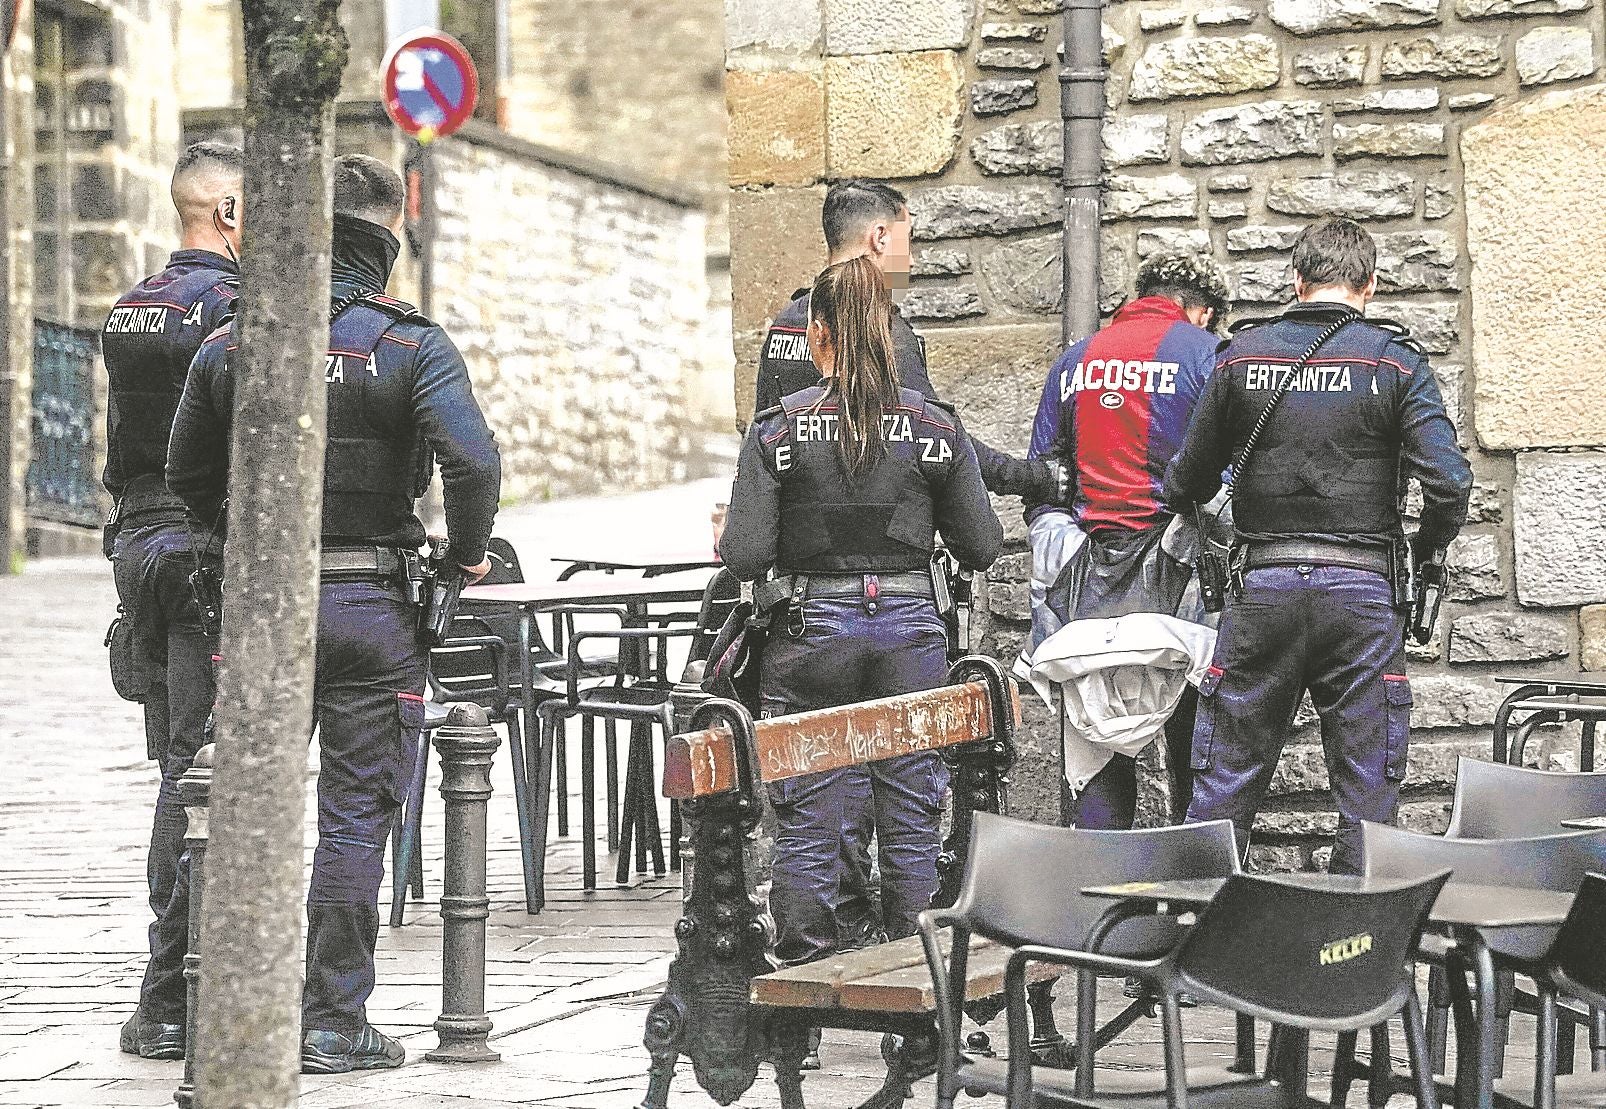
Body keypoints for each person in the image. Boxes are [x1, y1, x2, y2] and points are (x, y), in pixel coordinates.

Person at [167, 153, 501, 1072]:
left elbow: (186, 471)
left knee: (241, 805)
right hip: (371, 604)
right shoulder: (409, 344)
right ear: (388, 237)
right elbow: (473, 461)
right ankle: (331, 1017)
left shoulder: (237, 338)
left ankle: (227, 1001)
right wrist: (466, 554)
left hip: (265, 607)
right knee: (357, 812)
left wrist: (239, 537)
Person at [1163, 218, 1472, 875]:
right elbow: (1449, 482)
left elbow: (1185, 481)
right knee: (1367, 790)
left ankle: (1196, 927)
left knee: (1224, 781)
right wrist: (1427, 553)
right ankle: (1356, 932)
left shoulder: (1241, 355)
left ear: (1297, 280)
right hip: (1363, 595)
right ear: (1371, 285)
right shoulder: (1394, 360)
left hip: (1262, 587)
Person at [720, 256, 1003, 968]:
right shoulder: (934, 426)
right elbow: (981, 545)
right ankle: (920, 975)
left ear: (817, 334)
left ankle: (811, 980)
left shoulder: (779, 430)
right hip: (910, 629)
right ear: (886, 331)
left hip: (811, 628)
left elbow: (745, 555)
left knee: (811, 812)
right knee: (911, 809)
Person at [104, 141, 243, 1061]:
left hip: (138, 544)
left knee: (175, 760)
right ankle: (171, 992)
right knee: (198, 767)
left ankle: (174, 985)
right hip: (198, 546)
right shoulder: (233, 307)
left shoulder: (130, 305)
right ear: (228, 213)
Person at [1021, 251, 1231, 831]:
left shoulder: (1075, 360)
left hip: (1085, 574)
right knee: (1194, 749)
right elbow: (1231, 478)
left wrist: (1060, 544)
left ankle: (1098, 881)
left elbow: (1042, 479)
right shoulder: (1208, 356)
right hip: (1183, 578)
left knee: (1095, 748)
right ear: (1203, 311)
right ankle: (1194, 878)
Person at [754, 179, 1063, 504]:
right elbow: (944, 442)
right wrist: (1038, 479)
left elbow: (761, 443)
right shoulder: (884, 334)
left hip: (796, 527)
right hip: (878, 527)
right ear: (880, 238)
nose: (912, 261)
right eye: (908, 241)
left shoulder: (785, 323)